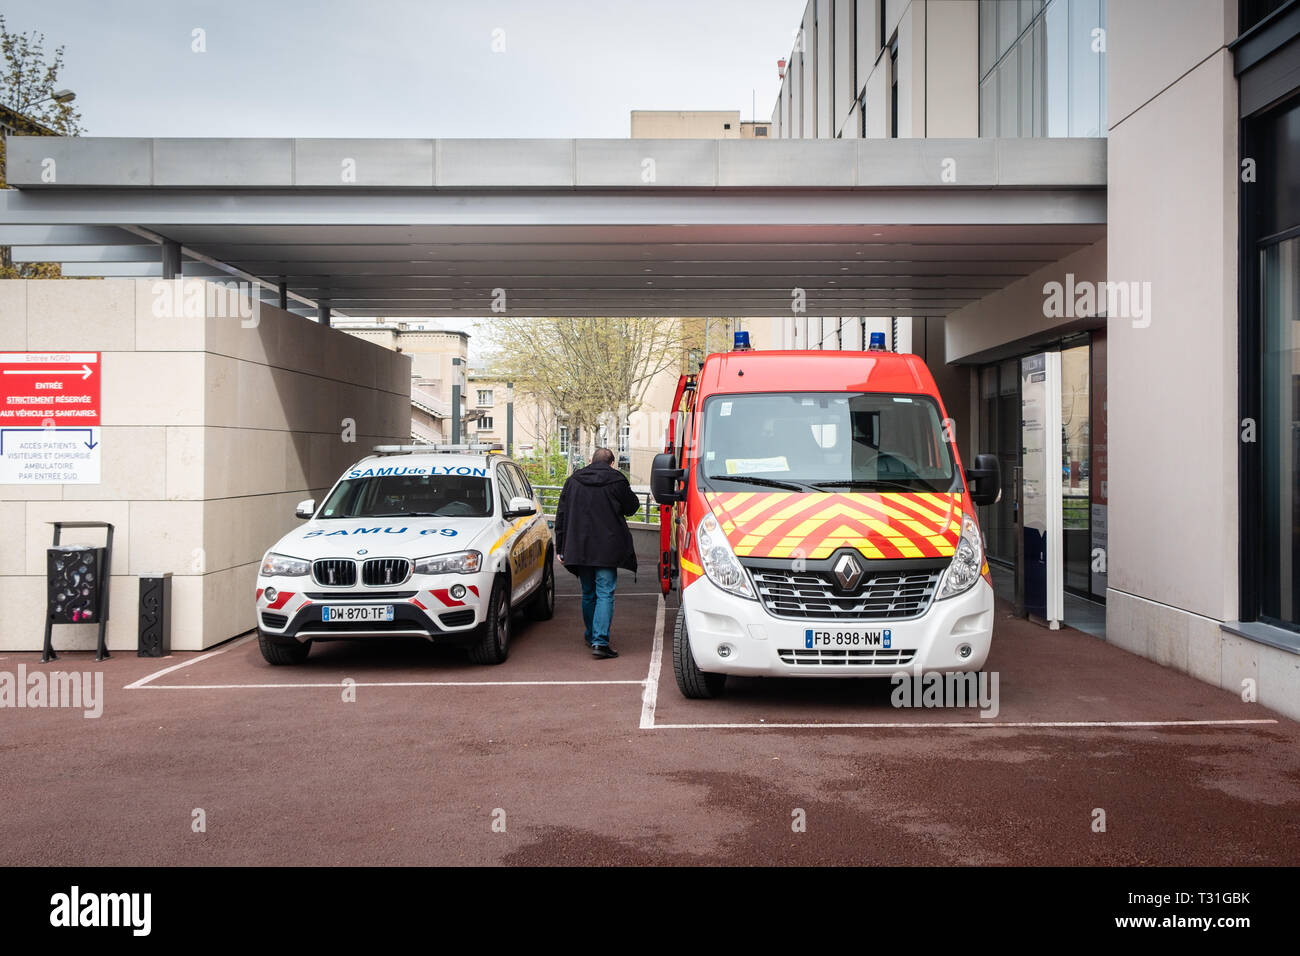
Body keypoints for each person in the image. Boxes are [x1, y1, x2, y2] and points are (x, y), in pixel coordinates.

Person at [553, 447, 641, 658]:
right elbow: (632, 507)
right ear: (612, 463)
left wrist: (561, 546)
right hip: (608, 548)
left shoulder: (573, 481)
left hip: (580, 546)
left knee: (588, 593)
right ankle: (600, 642)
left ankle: (592, 635)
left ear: (591, 461)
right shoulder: (617, 480)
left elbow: (561, 515)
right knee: (605, 592)